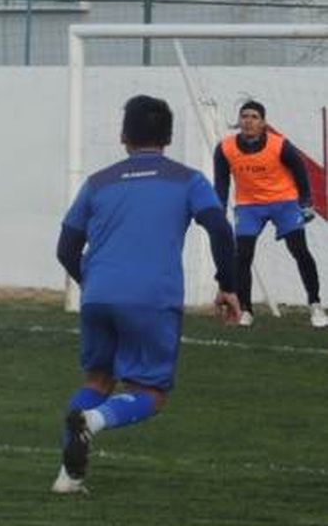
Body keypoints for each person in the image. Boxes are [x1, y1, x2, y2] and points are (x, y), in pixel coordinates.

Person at [53, 94, 240, 495]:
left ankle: (69, 478)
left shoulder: (97, 182)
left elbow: (66, 249)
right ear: (168, 138)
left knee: (98, 379)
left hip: (99, 293)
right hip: (152, 297)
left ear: (124, 136)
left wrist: (96, 282)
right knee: (150, 395)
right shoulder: (188, 179)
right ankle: (94, 422)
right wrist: (227, 286)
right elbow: (220, 229)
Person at [213, 99, 326, 329]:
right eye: (244, 116)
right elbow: (221, 182)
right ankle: (246, 310)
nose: (248, 121)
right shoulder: (225, 148)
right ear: (238, 121)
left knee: (300, 251)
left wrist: (305, 202)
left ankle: (315, 304)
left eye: (254, 117)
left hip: (284, 202)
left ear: (264, 122)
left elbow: (300, 169)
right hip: (248, 206)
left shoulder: (280, 145)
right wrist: (219, 211)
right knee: (242, 255)